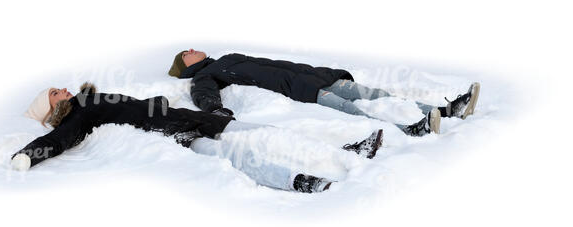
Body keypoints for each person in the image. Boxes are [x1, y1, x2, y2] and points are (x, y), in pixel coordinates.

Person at [10, 83, 385, 193]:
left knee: (263, 133)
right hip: (170, 132)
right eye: (52, 93)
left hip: (183, 117)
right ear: (53, 109)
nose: (59, 89)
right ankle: (299, 180)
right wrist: (30, 154)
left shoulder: (92, 98)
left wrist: (160, 102)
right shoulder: (80, 112)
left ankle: (343, 153)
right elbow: (62, 138)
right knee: (236, 158)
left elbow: (135, 106)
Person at [167, 49, 481, 137]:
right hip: (301, 90)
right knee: (355, 110)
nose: (193, 50)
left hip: (316, 77)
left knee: (374, 93)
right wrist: (213, 109)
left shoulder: (224, 58)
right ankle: (411, 129)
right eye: (187, 53)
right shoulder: (206, 75)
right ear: (186, 66)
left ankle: (448, 110)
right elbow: (205, 94)